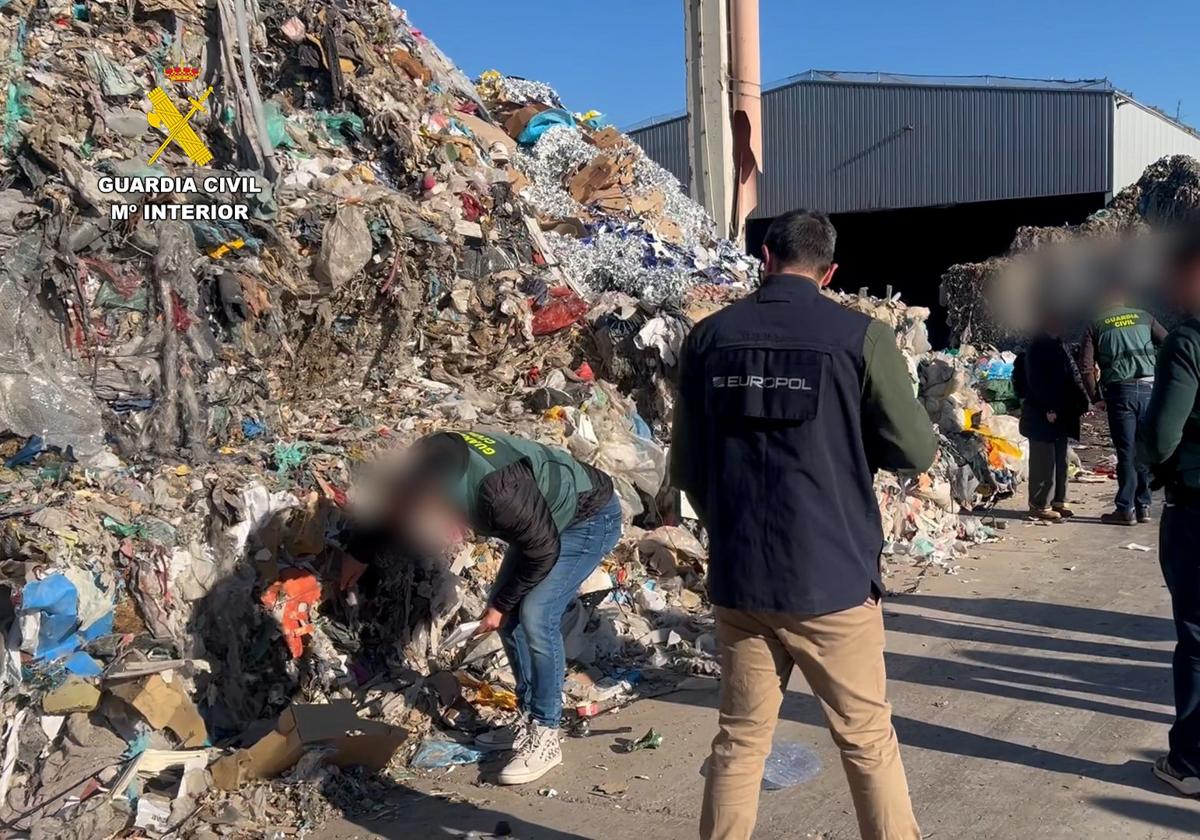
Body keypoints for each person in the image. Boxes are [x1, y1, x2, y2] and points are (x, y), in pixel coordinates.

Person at [671, 209, 936, 840]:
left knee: (739, 742)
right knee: (868, 739)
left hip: (741, 582)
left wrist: (729, 529)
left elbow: (687, 467)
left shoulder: (708, 339)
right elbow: (918, 451)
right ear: (831, 270)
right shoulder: (860, 337)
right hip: (831, 580)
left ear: (765, 258)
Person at [377, 430, 621, 785]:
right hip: (542, 521)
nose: (430, 514)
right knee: (509, 623)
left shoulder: (498, 494)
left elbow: (543, 552)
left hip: (588, 520)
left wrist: (501, 605)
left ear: (449, 491)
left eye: (433, 506)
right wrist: (358, 554)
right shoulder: (430, 457)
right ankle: (527, 716)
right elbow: (399, 505)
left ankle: (546, 732)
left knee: (537, 616)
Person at [1137, 230, 1200, 797]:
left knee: (1198, 637)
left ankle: (1190, 764)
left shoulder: (1189, 341)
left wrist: (1148, 464)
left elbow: (1159, 434)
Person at [1079, 296, 1167, 524]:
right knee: (1143, 448)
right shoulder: (1144, 317)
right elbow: (1169, 343)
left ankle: (1125, 509)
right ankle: (1144, 506)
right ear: (1123, 302)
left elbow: (1086, 367)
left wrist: (1095, 397)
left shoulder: (1096, 324)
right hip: (1149, 388)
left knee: (1126, 451)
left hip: (1120, 391)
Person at [1019, 319, 1090, 520]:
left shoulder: (1058, 344)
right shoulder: (1039, 346)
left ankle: (1059, 500)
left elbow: (1071, 375)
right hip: (1044, 414)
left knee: (1061, 459)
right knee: (1044, 461)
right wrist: (1048, 408)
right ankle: (1039, 505)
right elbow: (1037, 381)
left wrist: (1081, 402)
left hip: (1061, 412)